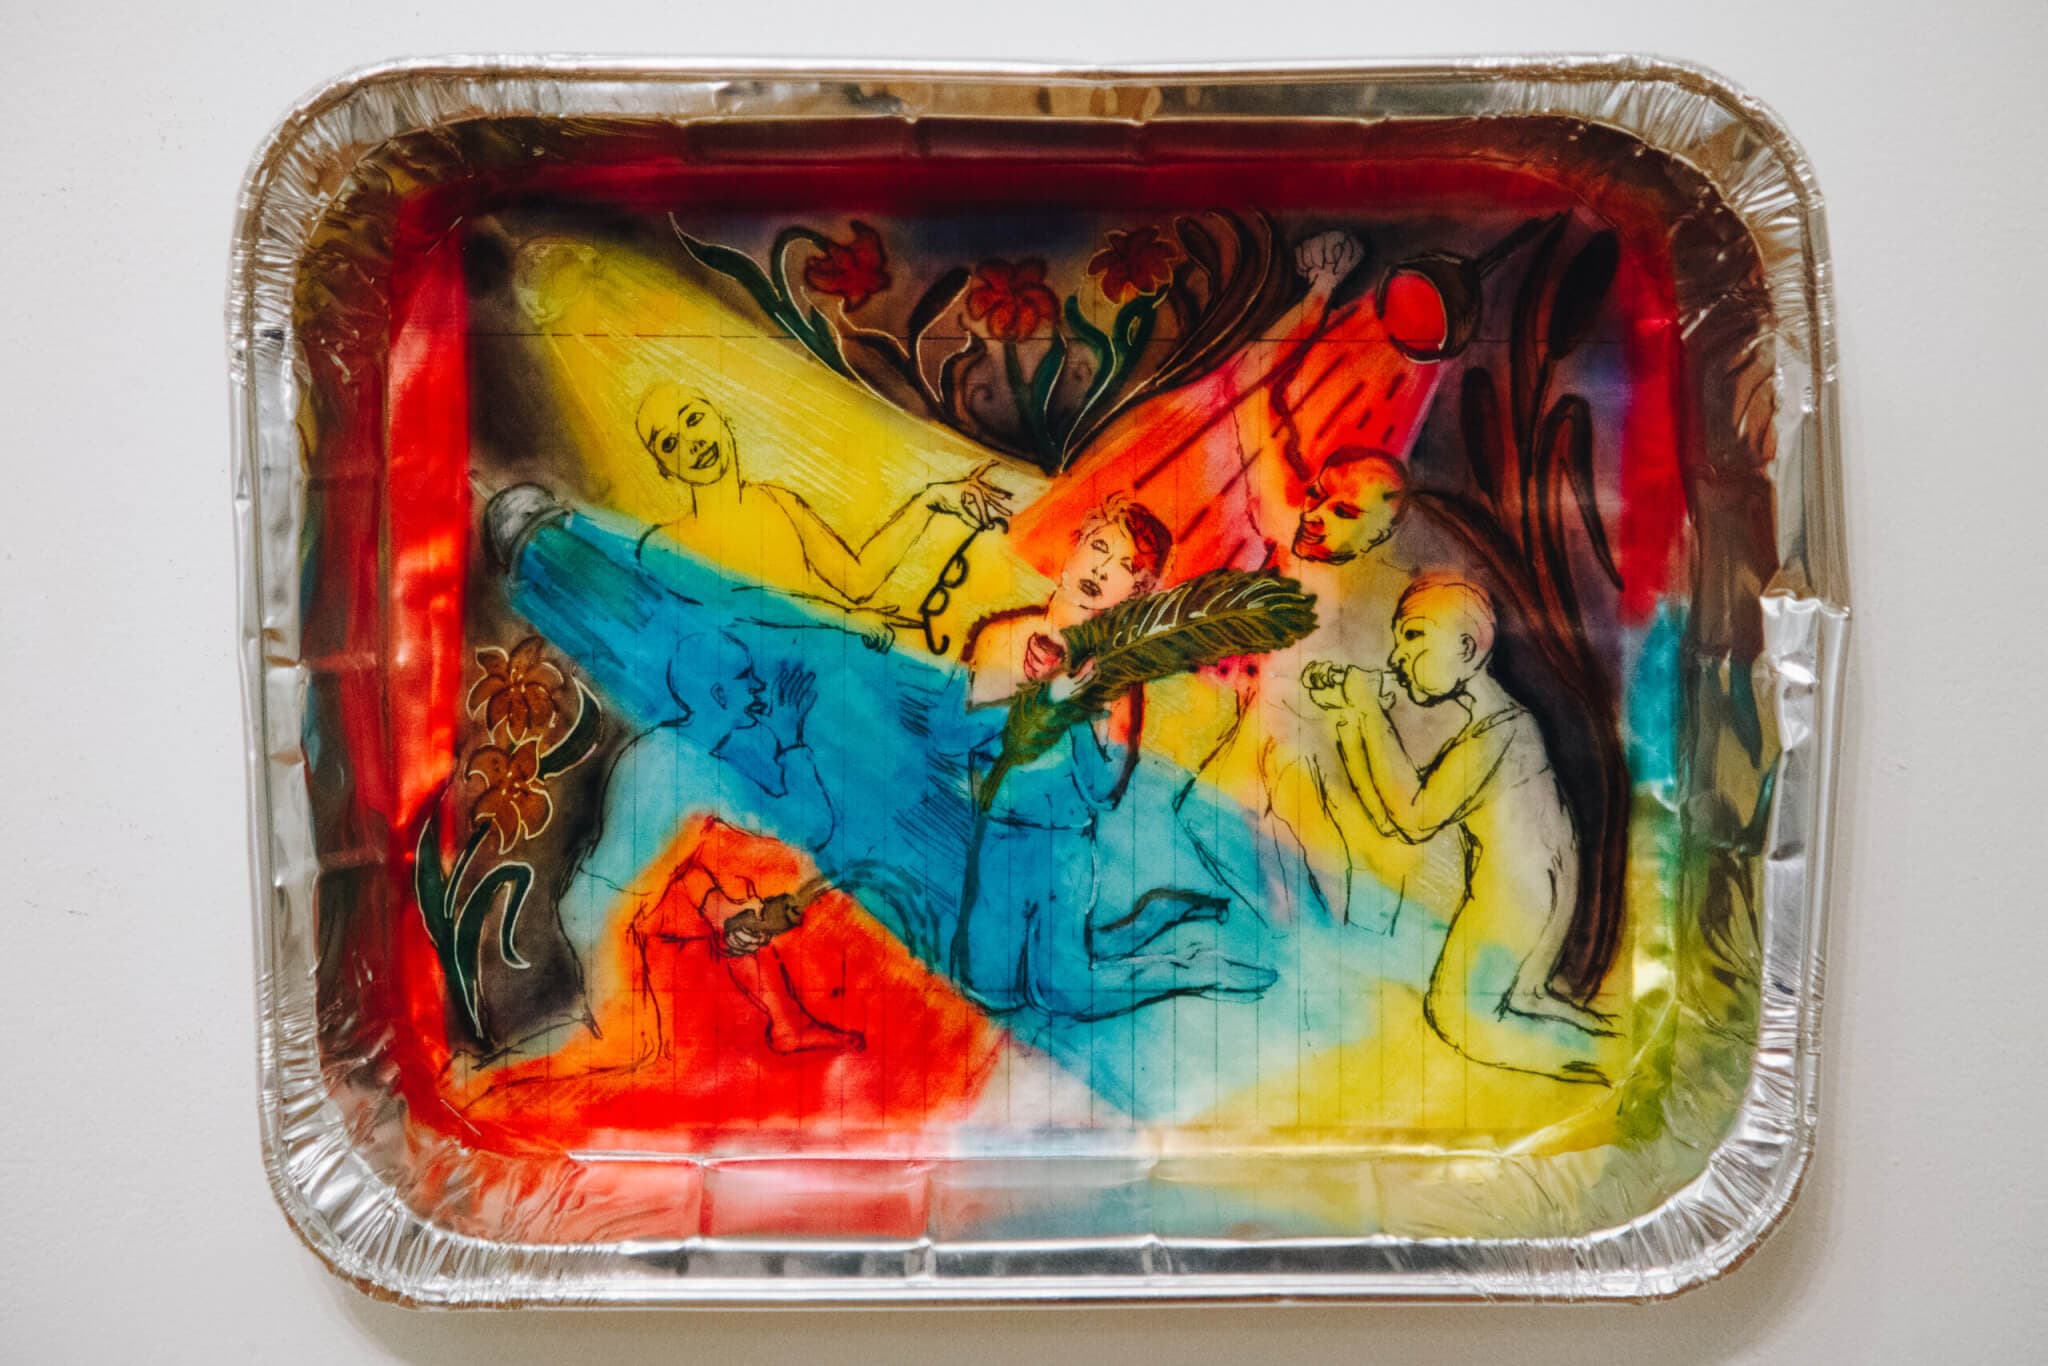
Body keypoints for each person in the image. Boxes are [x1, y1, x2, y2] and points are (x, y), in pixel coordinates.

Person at [952, 495, 1276, 1020]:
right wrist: (1029, 698)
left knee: (1063, 992)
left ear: (1138, 593)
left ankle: (1196, 967)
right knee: (987, 988)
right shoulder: (1001, 638)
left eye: (1127, 568)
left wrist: (1075, 711)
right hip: (999, 833)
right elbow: (953, 736)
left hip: (1062, 848)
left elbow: (1104, 790)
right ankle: (1161, 911)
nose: (1101, 571)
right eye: (1099, 547)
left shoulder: (1117, 678)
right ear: (1074, 546)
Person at [1302, 575, 1614, 1084]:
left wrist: (1369, 714)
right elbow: (1390, 820)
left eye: (1414, 636)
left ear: (1468, 648)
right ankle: (1602, 1050)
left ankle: (1603, 1068)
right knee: (1523, 1000)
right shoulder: (1499, 727)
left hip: (1519, 897)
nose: (1398, 658)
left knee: (1458, 1019)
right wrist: (1353, 721)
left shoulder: (1503, 731)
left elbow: (1413, 818)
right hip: (1535, 894)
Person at [631, 382, 1011, 615]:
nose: (693, 443)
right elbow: (738, 612)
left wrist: (930, 500)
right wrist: (840, 621)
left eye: (693, 419)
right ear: (664, 468)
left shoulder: (777, 502)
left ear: (722, 418)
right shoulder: (662, 547)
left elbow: (856, 581)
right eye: (669, 443)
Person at [635, 819, 860, 1054]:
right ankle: (738, 918)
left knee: (731, 910)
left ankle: (787, 1025)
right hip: (658, 896)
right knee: (699, 886)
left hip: (693, 874)